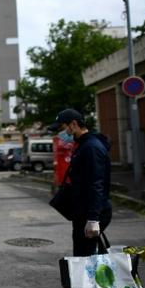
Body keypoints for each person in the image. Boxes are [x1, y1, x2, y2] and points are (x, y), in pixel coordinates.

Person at [48, 109, 112, 256]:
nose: (60, 133)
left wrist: (93, 219)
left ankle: (89, 279)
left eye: (62, 128)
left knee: (85, 257)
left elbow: (96, 184)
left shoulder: (91, 147)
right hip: (83, 211)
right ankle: (86, 279)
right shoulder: (83, 145)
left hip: (90, 212)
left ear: (74, 124)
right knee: (84, 255)